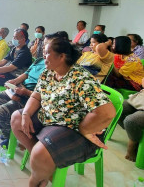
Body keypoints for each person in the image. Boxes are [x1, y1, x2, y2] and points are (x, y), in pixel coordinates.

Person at [11, 37, 116, 187]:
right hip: (50, 118)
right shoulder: (48, 73)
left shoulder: (80, 78)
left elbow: (107, 113)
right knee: (17, 118)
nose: (43, 57)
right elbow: (36, 95)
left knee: (39, 154)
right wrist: (26, 114)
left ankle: (39, 175)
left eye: (47, 53)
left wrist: (84, 128)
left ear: (62, 57)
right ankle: (44, 166)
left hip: (73, 128)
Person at [0, 33, 57, 147]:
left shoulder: (54, 68)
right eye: (44, 46)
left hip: (32, 98)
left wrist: (26, 92)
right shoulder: (39, 60)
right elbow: (25, 74)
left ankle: (12, 139)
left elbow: (44, 95)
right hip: (22, 89)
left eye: (47, 46)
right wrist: (14, 82)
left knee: (1, 111)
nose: (44, 49)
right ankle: (9, 132)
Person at [118, 78, 144, 162]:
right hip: (141, 98)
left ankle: (133, 145)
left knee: (131, 121)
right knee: (117, 108)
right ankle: (134, 134)